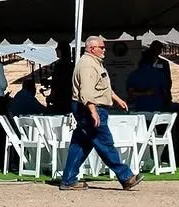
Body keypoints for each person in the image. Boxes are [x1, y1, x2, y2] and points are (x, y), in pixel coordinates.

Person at [59, 35, 141, 191]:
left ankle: (68, 180)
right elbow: (87, 91)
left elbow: (102, 86)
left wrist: (116, 98)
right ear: (91, 48)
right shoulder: (88, 65)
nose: (104, 50)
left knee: (81, 143)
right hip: (89, 107)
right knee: (104, 142)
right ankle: (126, 176)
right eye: (101, 47)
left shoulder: (94, 63)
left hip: (86, 107)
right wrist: (93, 111)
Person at [126, 42, 173, 112]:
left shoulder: (133, 75)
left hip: (140, 108)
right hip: (157, 108)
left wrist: (143, 93)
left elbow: (130, 92)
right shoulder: (160, 75)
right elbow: (166, 87)